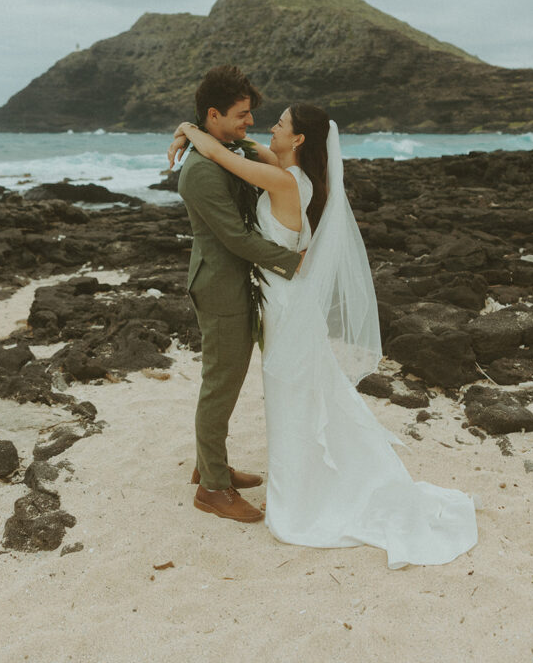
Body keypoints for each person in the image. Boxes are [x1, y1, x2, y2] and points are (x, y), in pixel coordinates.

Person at [171, 98, 478, 568]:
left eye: (279, 124)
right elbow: (247, 146)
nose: (268, 127)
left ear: (297, 139)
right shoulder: (292, 172)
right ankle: (285, 476)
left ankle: (304, 493)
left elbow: (222, 156)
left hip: (285, 306)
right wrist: (194, 128)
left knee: (293, 394)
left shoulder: (281, 178)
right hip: (282, 301)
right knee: (301, 392)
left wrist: (190, 133)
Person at [175, 66, 303, 523]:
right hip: (221, 286)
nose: (251, 122)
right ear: (215, 115)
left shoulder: (232, 147)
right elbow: (234, 237)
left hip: (236, 281)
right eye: (242, 115)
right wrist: (294, 262)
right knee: (220, 385)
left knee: (225, 379)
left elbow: (249, 156)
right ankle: (212, 488)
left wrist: (187, 129)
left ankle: (210, 466)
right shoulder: (200, 173)